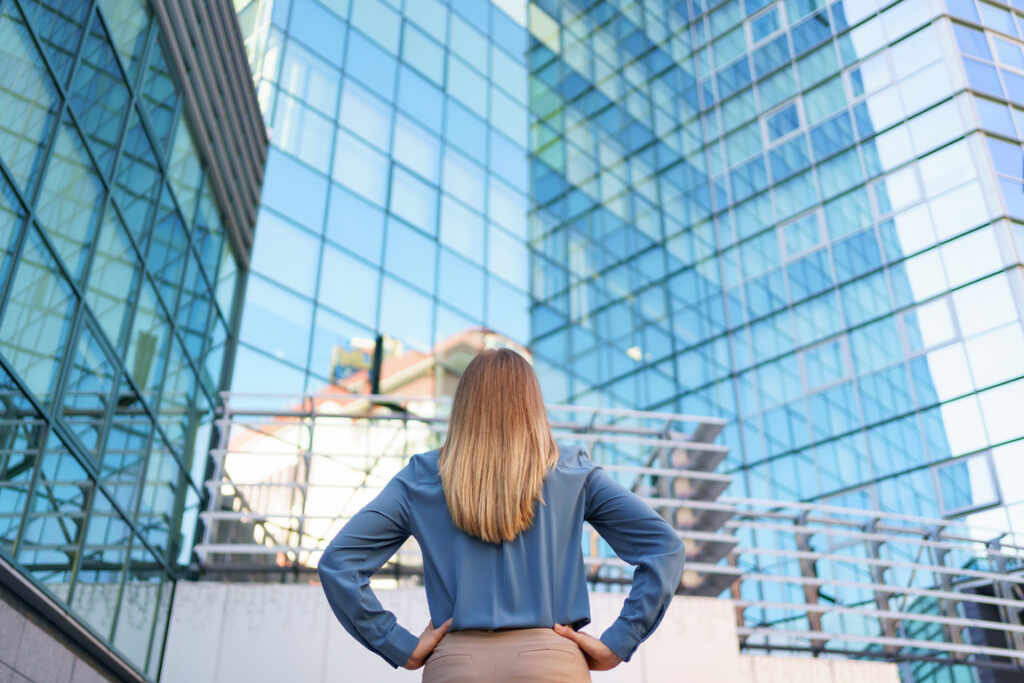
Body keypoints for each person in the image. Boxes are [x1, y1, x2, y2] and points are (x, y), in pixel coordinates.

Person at [318, 347, 686, 681]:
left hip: (455, 665)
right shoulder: (572, 471)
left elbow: (339, 564)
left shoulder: (421, 477)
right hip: (551, 663)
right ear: (532, 403)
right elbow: (664, 548)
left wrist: (398, 643)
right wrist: (619, 641)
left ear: (463, 404)